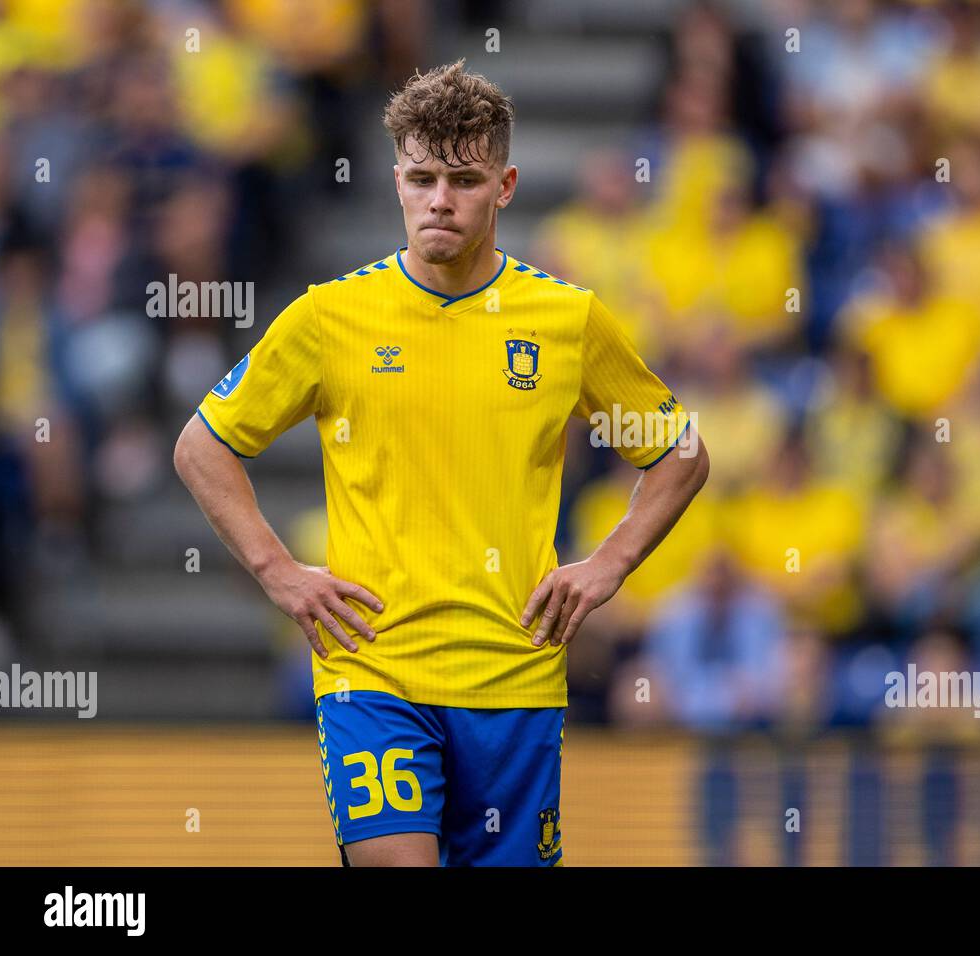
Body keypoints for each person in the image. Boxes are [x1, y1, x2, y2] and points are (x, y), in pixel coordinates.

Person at [173, 60, 709, 867]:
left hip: (515, 676)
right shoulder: (332, 317)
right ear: (395, 182)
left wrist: (611, 563)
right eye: (421, 177)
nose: (440, 199)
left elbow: (680, 453)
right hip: (375, 669)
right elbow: (202, 444)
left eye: (463, 178)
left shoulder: (566, 322)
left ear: (505, 185)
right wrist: (278, 572)